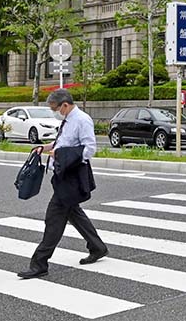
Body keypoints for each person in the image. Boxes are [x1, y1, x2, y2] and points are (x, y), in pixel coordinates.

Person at [18, 89, 107, 279]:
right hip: (62, 175)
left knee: (53, 219)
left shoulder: (82, 120)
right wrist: (45, 148)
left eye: (55, 108)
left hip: (71, 177)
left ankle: (39, 264)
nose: (54, 112)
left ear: (65, 105)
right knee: (74, 213)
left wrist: (61, 155)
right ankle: (97, 247)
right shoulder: (67, 120)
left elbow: (89, 149)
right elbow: (62, 143)